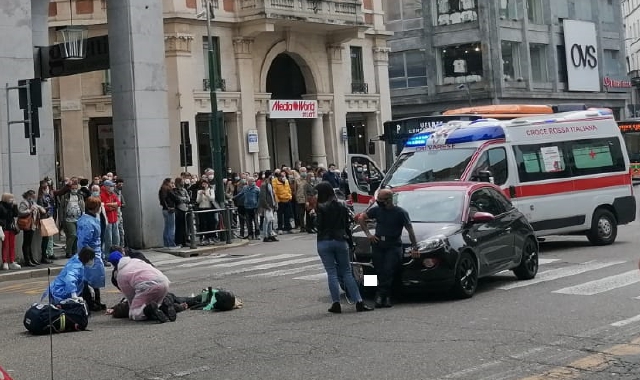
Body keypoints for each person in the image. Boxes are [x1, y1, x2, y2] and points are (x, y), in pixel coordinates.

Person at [314, 182, 373, 314]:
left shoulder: (320, 207)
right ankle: (358, 301)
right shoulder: (342, 205)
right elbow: (347, 224)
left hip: (324, 240)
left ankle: (336, 303)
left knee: (331, 272)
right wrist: (350, 241)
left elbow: (318, 225)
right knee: (347, 271)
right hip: (340, 239)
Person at [358, 188, 419, 308]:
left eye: (381, 200)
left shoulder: (401, 213)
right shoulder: (376, 210)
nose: (379, 202)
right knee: (379, 270)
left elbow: (410, 230)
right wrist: (369, 235)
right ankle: (387, 297)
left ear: (389, 200)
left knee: (388, 270)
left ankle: (380, 296)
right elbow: (361, 218)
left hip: (393, 245)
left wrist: (414, 247)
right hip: (379, 244)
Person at [107, 251, 174, 323]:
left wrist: (132, 307)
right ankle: (164, 307)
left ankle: (149, 309)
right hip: (164, 282)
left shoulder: (121, 275)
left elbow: (130, 296)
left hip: (147, 287)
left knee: (135, 314)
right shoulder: (136, 260)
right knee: (156, 303)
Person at [77, 196, 107, 309]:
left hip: (95, 251)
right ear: (96, 207)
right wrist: (86, 256)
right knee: (88, 278)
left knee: (94, 278)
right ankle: (89, 302)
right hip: (89, 254)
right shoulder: (87, 222)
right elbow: (84, 241)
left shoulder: (91, 218)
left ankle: (96, 301)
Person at [0, 193, 20, 270]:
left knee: (12, 245)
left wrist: (15, 206)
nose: (12, 200)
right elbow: (4, 215)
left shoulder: (12, 206)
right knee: (5, 245)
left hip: (11, 227)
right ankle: (5, 262)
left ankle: (11, 261)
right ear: (6, 198)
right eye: (11, 198)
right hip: (4, 228)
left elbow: (16, 214)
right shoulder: (1, 206)